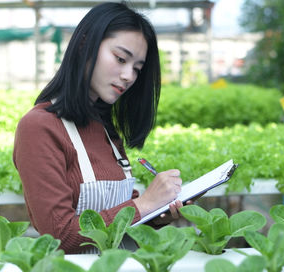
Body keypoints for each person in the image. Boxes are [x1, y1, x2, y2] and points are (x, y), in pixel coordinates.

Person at [13, 2, 187, 254]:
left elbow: (120, 213)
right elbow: (59, 235)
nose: (129, 76)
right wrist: (145, 203)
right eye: (120, 58)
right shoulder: (39, 128)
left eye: (137, 68)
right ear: (85, 44)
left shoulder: (105, 127)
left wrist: (159, 211)